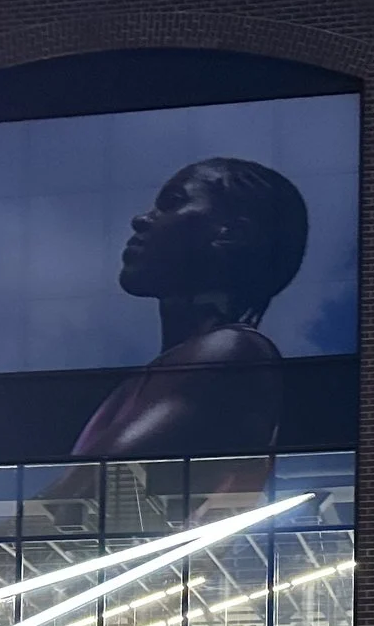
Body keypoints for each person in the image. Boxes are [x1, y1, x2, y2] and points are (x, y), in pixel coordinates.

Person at [72, 157, 311, 461]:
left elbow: (96, 483)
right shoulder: (159, 373)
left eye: (172, 202)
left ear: (232, 234)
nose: (141, 219)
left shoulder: (231, 350)